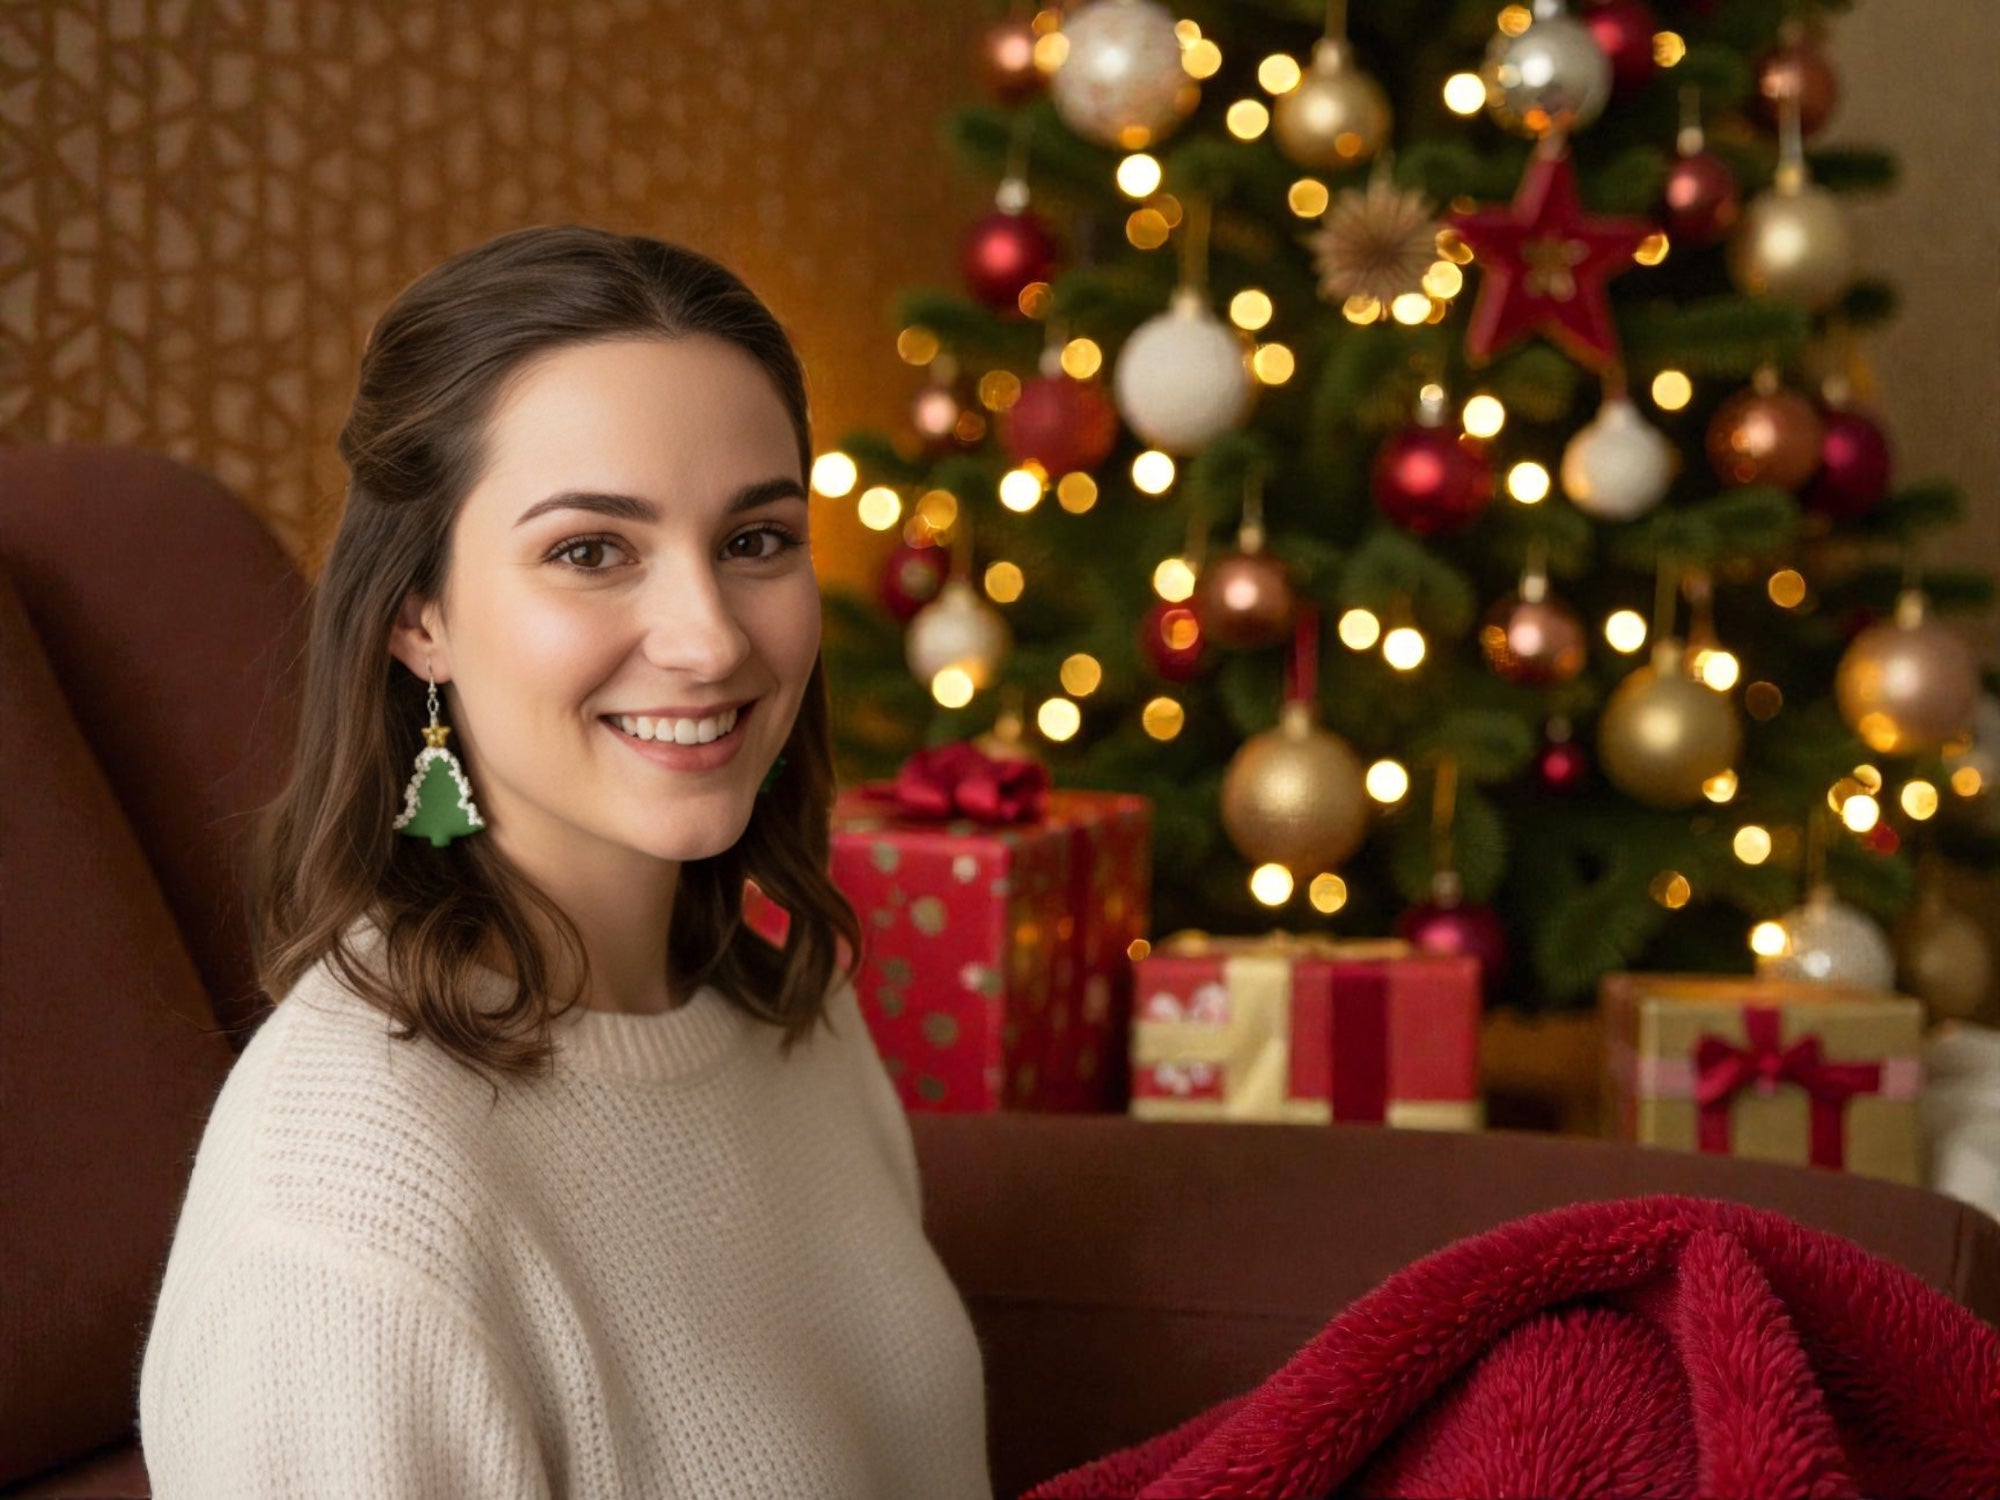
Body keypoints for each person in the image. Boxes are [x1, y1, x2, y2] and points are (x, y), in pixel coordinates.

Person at [137, 224, 994, 1498]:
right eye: (591, 551)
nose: (707, 639)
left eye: (755, 539)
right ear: (417, 616)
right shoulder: (346, 1222)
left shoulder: (788, 1014)